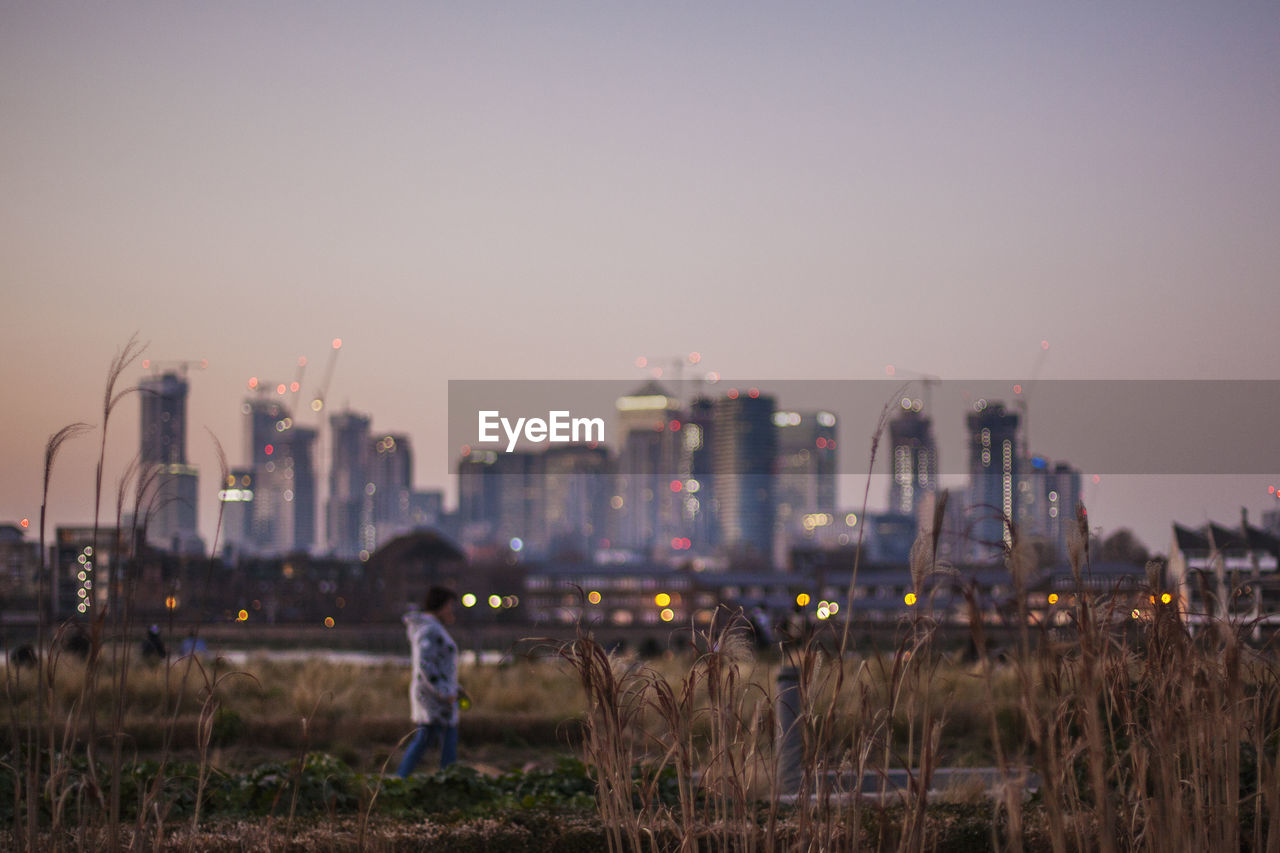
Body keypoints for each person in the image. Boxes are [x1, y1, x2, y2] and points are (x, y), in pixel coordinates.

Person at [397, 586, 460, 777]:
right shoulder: (430, 631)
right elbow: (426, 665)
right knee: (444, 737)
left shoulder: (430, 629)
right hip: (434, 697)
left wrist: (455, 688)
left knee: (425, 738)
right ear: (440, 607)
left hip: (434, 695)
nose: (452, 610)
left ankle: (402, 778)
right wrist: (444, 691)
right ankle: (448, 779)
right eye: (450, 605)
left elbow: (437, 665)